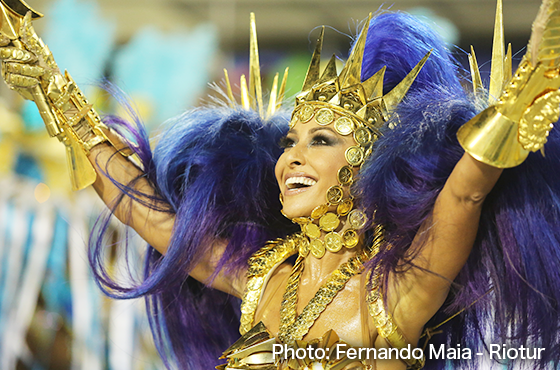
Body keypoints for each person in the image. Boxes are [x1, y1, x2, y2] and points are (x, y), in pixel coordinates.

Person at [1, 1, 560, 369]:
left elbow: (464, 191)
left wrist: (531, 90)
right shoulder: (265, 282)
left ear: (365, 165)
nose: (290, 157)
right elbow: (144, 212)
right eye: (290, 142)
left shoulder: (394, 292)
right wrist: (50, 86)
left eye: (319, 141)